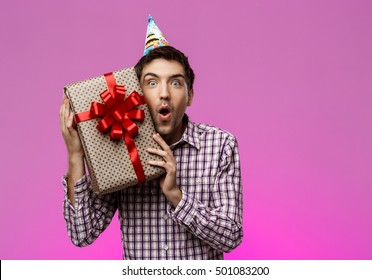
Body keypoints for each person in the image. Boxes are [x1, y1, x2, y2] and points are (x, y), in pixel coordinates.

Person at [59, 46, 243, 260]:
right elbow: (82, 234)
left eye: (176, 83)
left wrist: (176, 195)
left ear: (190, 96)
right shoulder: (121, 148)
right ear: (137, 93)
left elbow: (231, 236)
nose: (164, 93)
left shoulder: (220, 145)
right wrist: (74, 156)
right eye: (152, 83)